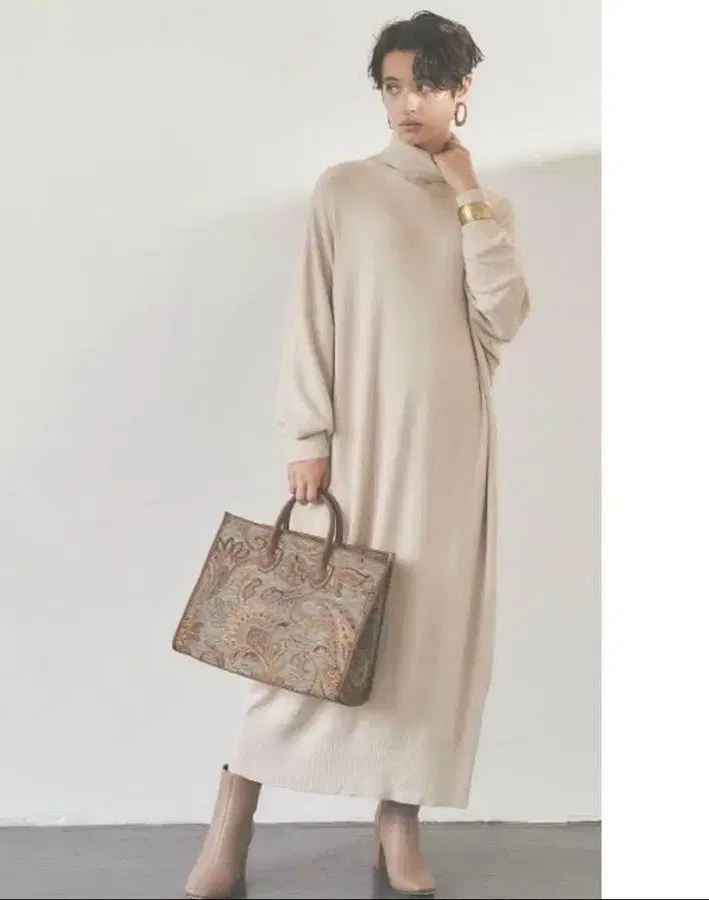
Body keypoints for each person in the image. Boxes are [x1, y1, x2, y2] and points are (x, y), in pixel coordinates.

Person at [184, 10, 531, 899]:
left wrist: (467, 191)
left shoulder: (483, 207)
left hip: (451, 453)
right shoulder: (344, 190)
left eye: (426, 85)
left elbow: (503, 317)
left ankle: (398, 821)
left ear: (462, 89)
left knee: (424, 640)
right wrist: (308, 436)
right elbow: (312, 314)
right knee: (307, 632)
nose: (407, 104)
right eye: (393, 86)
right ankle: (234, 813)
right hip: (362, 445)